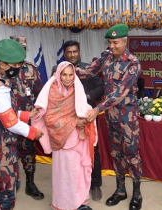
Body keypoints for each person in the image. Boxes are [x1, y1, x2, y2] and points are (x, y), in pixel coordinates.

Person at [75, 24, 143, 210]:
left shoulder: (132, 63)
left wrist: (97, 109)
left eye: (115, 42)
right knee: (116, 154)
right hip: (111, 117)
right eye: (110, 42)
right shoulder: (105, 56)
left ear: (125, 41)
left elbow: (120, 94)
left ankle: (137, 193)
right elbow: (89, 70)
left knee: (132, 155)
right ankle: (121, 190)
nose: (112, 46)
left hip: (127, 118)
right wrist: (68, 71)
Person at [0, 39, 43, 210]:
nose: (18, 68)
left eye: (19, 63)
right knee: (6, 198)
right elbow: (10, 122)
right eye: (14, 64)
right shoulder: (0, 88)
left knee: (10, 190)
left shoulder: (1, 82)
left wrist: (26, 114)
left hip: (4, 148)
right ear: (2, 64)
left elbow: (5, 112)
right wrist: (32, 132)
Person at [32, 61, 96, 210]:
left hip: (78, 138)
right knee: (66, 174)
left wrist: (87, 115)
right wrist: (74, 122)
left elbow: (82, 107)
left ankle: (79, 202)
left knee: (78, 172)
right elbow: (50, 119)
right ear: (58, 75)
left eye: (70, 75)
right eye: (64, 75)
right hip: (62, 140)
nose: (68, 79)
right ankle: (66, 205)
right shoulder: (53, 91)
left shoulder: (76, 89)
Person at [52, 40, 104, 201]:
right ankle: (73, 186)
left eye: (75, 51)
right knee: (70, 153)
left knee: (92, 151)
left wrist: (86, 97)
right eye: (69, 52)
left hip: (86, 116)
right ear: (64, 53)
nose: (72, 55)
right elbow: (52, 91)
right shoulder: (58, 70)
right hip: (65, 118)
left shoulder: (89, 68)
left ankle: (95, 185)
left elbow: (101, 87)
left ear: (79, 52)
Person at [9, 35, 45, 200]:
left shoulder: (31, 69)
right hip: (9, 120)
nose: (21, 51)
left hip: (29, 120)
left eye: (24, 48)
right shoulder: (4, 69)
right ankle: (11, 184)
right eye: (18, 48)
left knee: (29, 152)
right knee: (10, 151)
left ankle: (30, 183)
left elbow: (40, 93)